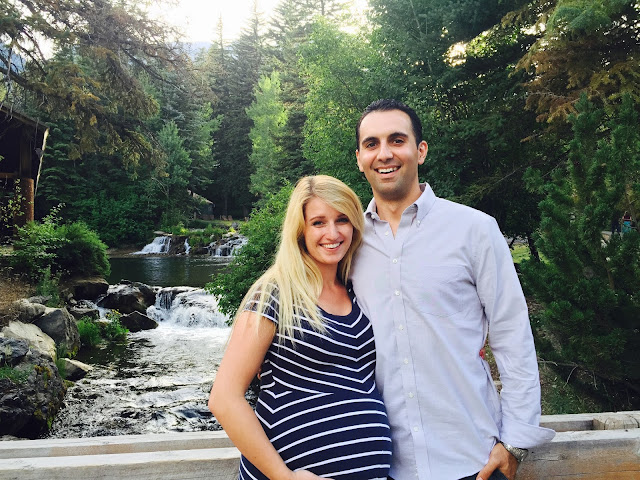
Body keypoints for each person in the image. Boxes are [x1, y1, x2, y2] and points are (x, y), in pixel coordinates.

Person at [350, 99, 555, 480]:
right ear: (360, 158)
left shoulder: (473, 230)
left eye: (397, 140)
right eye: (372, 144)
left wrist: (515, 441)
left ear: (420, 151)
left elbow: (512, 335)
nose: (385, 153)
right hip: (381, 464)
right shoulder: (348, 243)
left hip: (472, 458)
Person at [209, 175, 392, 480]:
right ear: (300, 230)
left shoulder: (358, 290)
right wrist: (285, 477)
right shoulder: (275, 292)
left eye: (342, 220)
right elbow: (224, 398)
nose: (332, 233)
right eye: (318, 222)